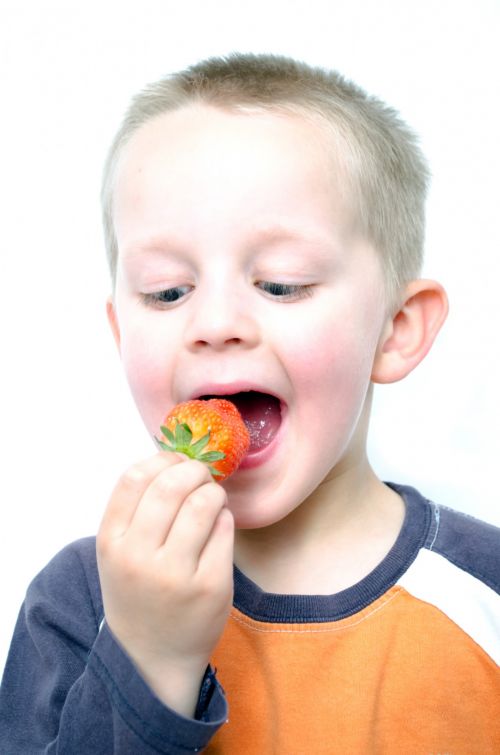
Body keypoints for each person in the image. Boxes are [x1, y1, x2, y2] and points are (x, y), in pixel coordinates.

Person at [1, 52, 498, 754]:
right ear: (119, 332)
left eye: (282, 283)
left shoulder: (486, 591)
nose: (214, 321)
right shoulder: (82, 601)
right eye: (167, 291)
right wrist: (148, 661)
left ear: (395, 329)